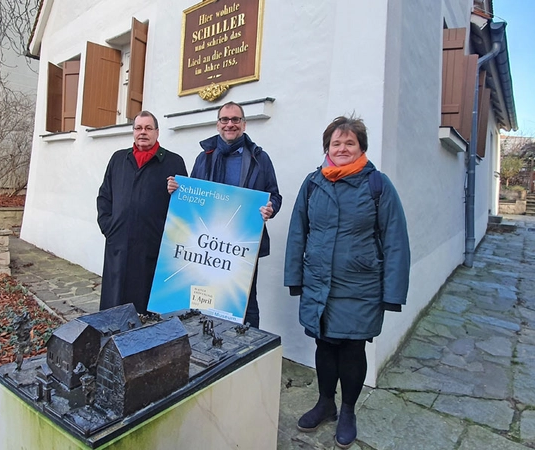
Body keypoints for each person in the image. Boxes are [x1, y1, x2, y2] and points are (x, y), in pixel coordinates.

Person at [284, 115, 410, 449]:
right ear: (328, 147)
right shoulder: (312, 184)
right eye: (336, 143)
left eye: (349, 143)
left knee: (353, 349)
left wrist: (392, 293)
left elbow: (396, 239)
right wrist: (295, 278)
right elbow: (299, 232)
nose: (342, 148)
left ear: (360, 148)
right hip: (319, 284)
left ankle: (348, 411)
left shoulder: (377, 185)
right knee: (324, 346)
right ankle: (325, 403)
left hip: (361, 286)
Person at [167, 101, 282, 328]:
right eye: (225, 120)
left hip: (242, 245)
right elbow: (192, 199)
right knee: (205, 299)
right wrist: (177, 190)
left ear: (244, 124)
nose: (230, 124)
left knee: (245, 303)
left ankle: (246, 353)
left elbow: (275, 196)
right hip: (206, 246)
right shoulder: (204, 158)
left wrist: (270, 208)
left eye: (235, 119)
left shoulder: (260, 158)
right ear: (218, 125)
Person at [97, 111, 187, 314]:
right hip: (118, 245)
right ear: (133, 132)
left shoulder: (173, 162)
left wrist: (177, 191)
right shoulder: (119, 159)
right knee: (115, 305)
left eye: (148, 128)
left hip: (152, 247)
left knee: (146, 308)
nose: (143, 132)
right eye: (138, 128)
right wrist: (108, 227)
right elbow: (104, 196)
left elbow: (184, 206)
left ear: (157, 132)